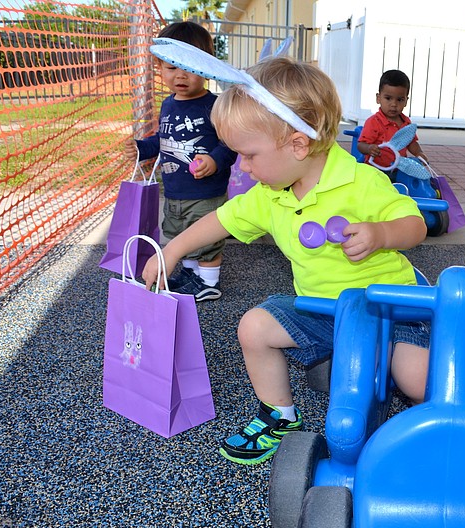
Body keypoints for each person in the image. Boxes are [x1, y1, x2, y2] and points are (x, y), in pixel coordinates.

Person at [141, 56, 430, 465]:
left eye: (250, 154)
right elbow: (220, 220)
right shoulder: (270, 193)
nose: (243, 165)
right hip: (324, 309)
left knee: (417, 382)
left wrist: (381, 233)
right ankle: (279, 413)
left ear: (298, 143)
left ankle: (439, 425)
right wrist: (171, 250)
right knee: (255, 328)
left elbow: (414, 224)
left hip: (390, 307)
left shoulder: (360, 181)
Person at [124, 21, 237, 302]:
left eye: (188, 67)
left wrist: (214, 159)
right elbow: (163, 139)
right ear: (160, 68)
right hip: (174, 189)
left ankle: (208, 281)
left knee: (205, 238)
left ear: (207, 66)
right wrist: (142, 147)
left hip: (205, 192)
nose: (180, 75)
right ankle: (189, 275)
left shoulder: (215, 105)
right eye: (171, 67)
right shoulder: (168, 104)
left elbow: (231, 143)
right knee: (177, 234)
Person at [357, 69, 428, 180]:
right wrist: (369, 148)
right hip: (376, 169)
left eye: (400, 99)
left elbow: (411, 142)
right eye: (388, 98)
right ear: (378, 98)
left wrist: (419, 153)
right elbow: (361, 145)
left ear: (406, 101)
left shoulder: (406, 123)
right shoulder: (373, 122)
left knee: (406, 185)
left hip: (399, 168)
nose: (394, 104)